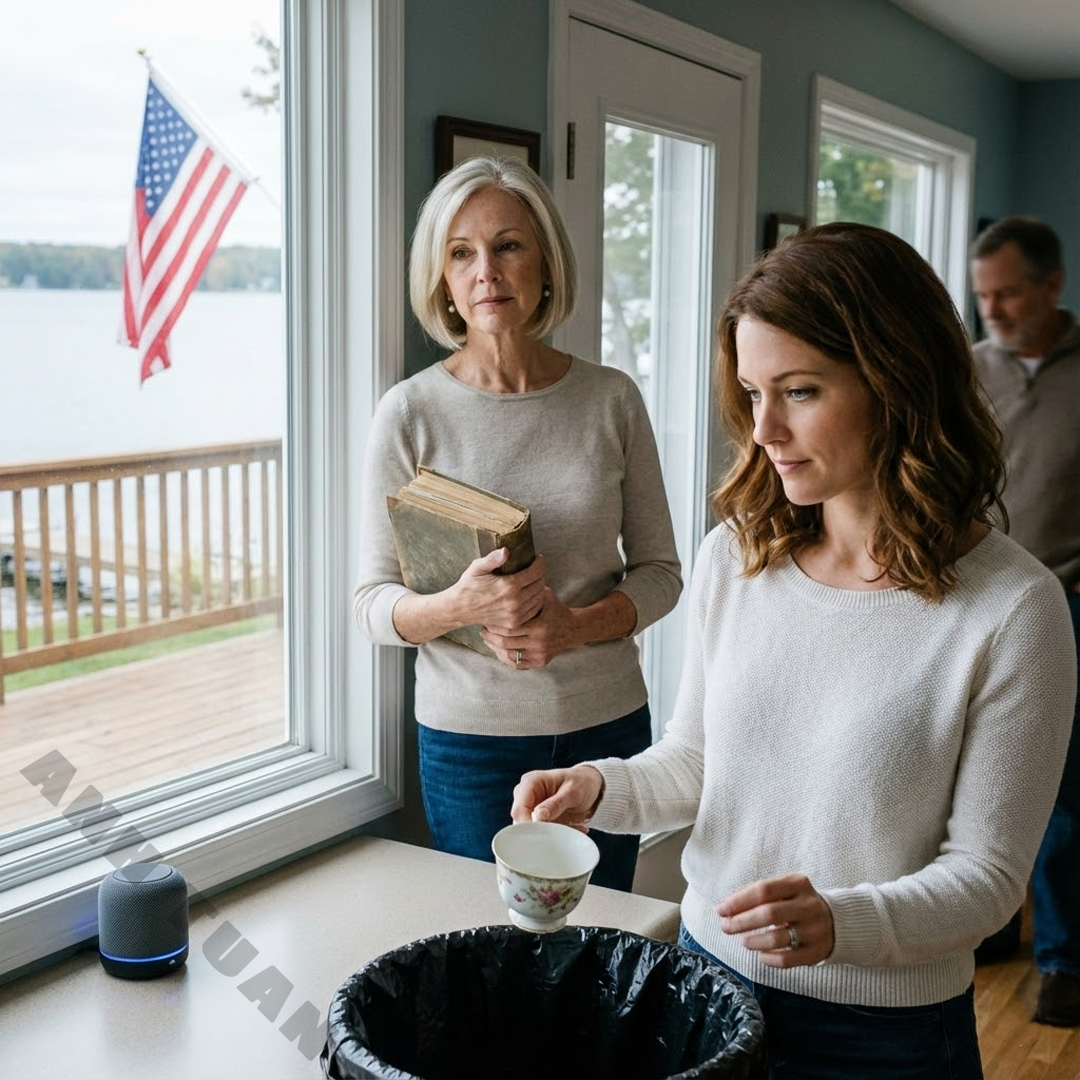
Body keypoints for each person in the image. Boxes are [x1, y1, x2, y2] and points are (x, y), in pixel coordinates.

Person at [510, 222, 1076, 1077]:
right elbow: (699, 765)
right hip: (703, 990)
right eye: (751, 391)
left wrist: (843, 923)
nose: (764, 428)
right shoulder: (733, 558)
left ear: (897, 383)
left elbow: (990, 880)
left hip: (880, 1040)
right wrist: (599, 787)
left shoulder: (1013, 608)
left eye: (800, 391)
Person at [353, 155, 682, 891]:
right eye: (461, 253)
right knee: (497, 968)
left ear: (545, 262)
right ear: (441, 277)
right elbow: (371, 604)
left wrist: (574, 627)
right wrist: (458, 606)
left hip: (607, 734)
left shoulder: (611, 400)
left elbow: (664, 574)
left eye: (508, 246)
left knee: (601, 943)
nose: (486, 273)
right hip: (470, 744)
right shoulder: (408, 413)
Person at [970, 215, 1080, 1027]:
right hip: (976, 602)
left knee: (1066, 792)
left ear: (1052, 285)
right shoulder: (970, 372)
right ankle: (991, 922)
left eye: (1007, 292)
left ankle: (1065, 960)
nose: (994, 310)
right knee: (980, 773)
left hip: (1072, 605)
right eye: (982, 297)